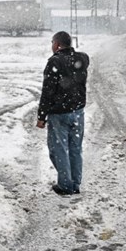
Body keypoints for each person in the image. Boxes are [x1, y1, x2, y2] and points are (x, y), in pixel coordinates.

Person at [36, 31, 89, 196]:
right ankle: (75, 183)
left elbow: (48, 91)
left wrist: (41, 116)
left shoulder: (55, 62)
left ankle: (66, 185)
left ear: (57, 44)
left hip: (59, 114)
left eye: (53, 42)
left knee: (58, 149)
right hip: (78, 112)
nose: (52, 46)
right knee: (75, 148)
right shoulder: (82, 59)